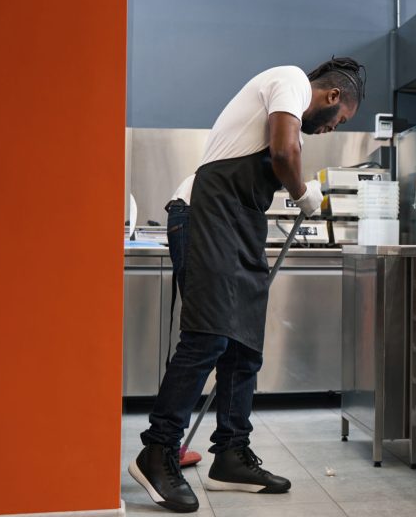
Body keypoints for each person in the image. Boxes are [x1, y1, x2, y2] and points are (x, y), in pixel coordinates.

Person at [129, 58, 365, 512]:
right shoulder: (291, 80)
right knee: (209, 335)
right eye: (341, 120)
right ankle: (158, 450)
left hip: (239, 221)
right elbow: (283, 152)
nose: (333, 128)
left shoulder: (292, 104)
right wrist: (301, 192)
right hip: (203, 213)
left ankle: (231, 455)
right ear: (333, 97)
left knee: (245, 346)